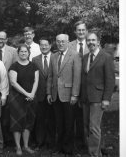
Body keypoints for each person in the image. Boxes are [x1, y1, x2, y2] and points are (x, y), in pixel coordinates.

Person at [47, 34, 82, 156]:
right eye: (58, 42)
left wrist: (75, 95)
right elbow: (50, 76)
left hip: (69, 96)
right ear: (56, 42)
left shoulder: (75, 55)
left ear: (68, 42)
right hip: (55, 95)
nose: (60, 44)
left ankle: (68, 149)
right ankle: (59, 147)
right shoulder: (54, 56)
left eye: (63, 41)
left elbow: (77, 77)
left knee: (69, 124)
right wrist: (48, 93)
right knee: (59, 123)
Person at [80, 33, 115, 157]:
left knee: (93, 127)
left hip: (98, 98)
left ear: (98, 41)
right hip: (85, 98)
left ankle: (93, 154)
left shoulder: (106, 57)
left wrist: (106, 99)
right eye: (88, 40)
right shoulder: (84, 57)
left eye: (93, 40)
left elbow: (110, 80)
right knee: (88, 126)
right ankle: (98, 151)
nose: (91, 42)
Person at [8, 44, 39, 156]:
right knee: (17, 122)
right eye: (21, 51)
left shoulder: (33, 66)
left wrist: (32, 94)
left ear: (28, 53)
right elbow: (13, 82)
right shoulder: (14, 66)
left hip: (31, 97)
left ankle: (26, 146)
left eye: (25, 51)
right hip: (17, 98)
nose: (23, 53)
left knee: (28, 122)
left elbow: (36, 81)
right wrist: (26, 93)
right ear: (18, 53)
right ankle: (18, 147)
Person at [32, 37, 56, 151]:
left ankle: (50, 141)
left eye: (46, 45)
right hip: (40, 94)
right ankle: (40, 141)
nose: (44, 47)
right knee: (40, 119)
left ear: (50, 46)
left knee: (52, 118)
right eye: (42, 45)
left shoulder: (56, 57)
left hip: (53, 93)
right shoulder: (34, 59)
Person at [68, 21, 89, 149]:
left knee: (84, 118)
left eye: (83, 30)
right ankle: (71, 141)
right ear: (75, 32)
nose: (81, 32)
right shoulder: (69, 45)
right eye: (78, 30)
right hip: (71, 86)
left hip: (87, 87)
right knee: (71, 116)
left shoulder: (93, 44)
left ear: (86, 31)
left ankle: (83, 141)